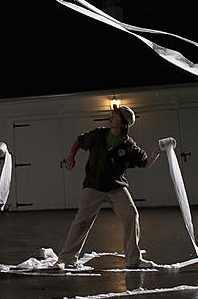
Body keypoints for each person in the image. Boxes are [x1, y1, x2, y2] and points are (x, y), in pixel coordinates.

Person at [57, 105, 163, 269]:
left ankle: (133, 260)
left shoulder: (128, 145)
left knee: (131, 215)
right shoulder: (99, 134)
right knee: (82, 221)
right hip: (94, 185)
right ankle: (67, 258)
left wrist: (158, 152)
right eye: (112, 114)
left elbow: (146, 162)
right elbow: (79, 141)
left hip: (115, 187)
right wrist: (71, 157)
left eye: (115, 115)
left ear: (124, 123)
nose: (111, 117)